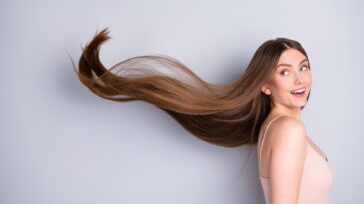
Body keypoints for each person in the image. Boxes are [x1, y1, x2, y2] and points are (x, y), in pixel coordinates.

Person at [74, 28, 334, 203]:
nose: (300, 79)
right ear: (265, 85)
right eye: (285, 72)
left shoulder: (274, 127)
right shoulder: (288, 129)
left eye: (304, 67)